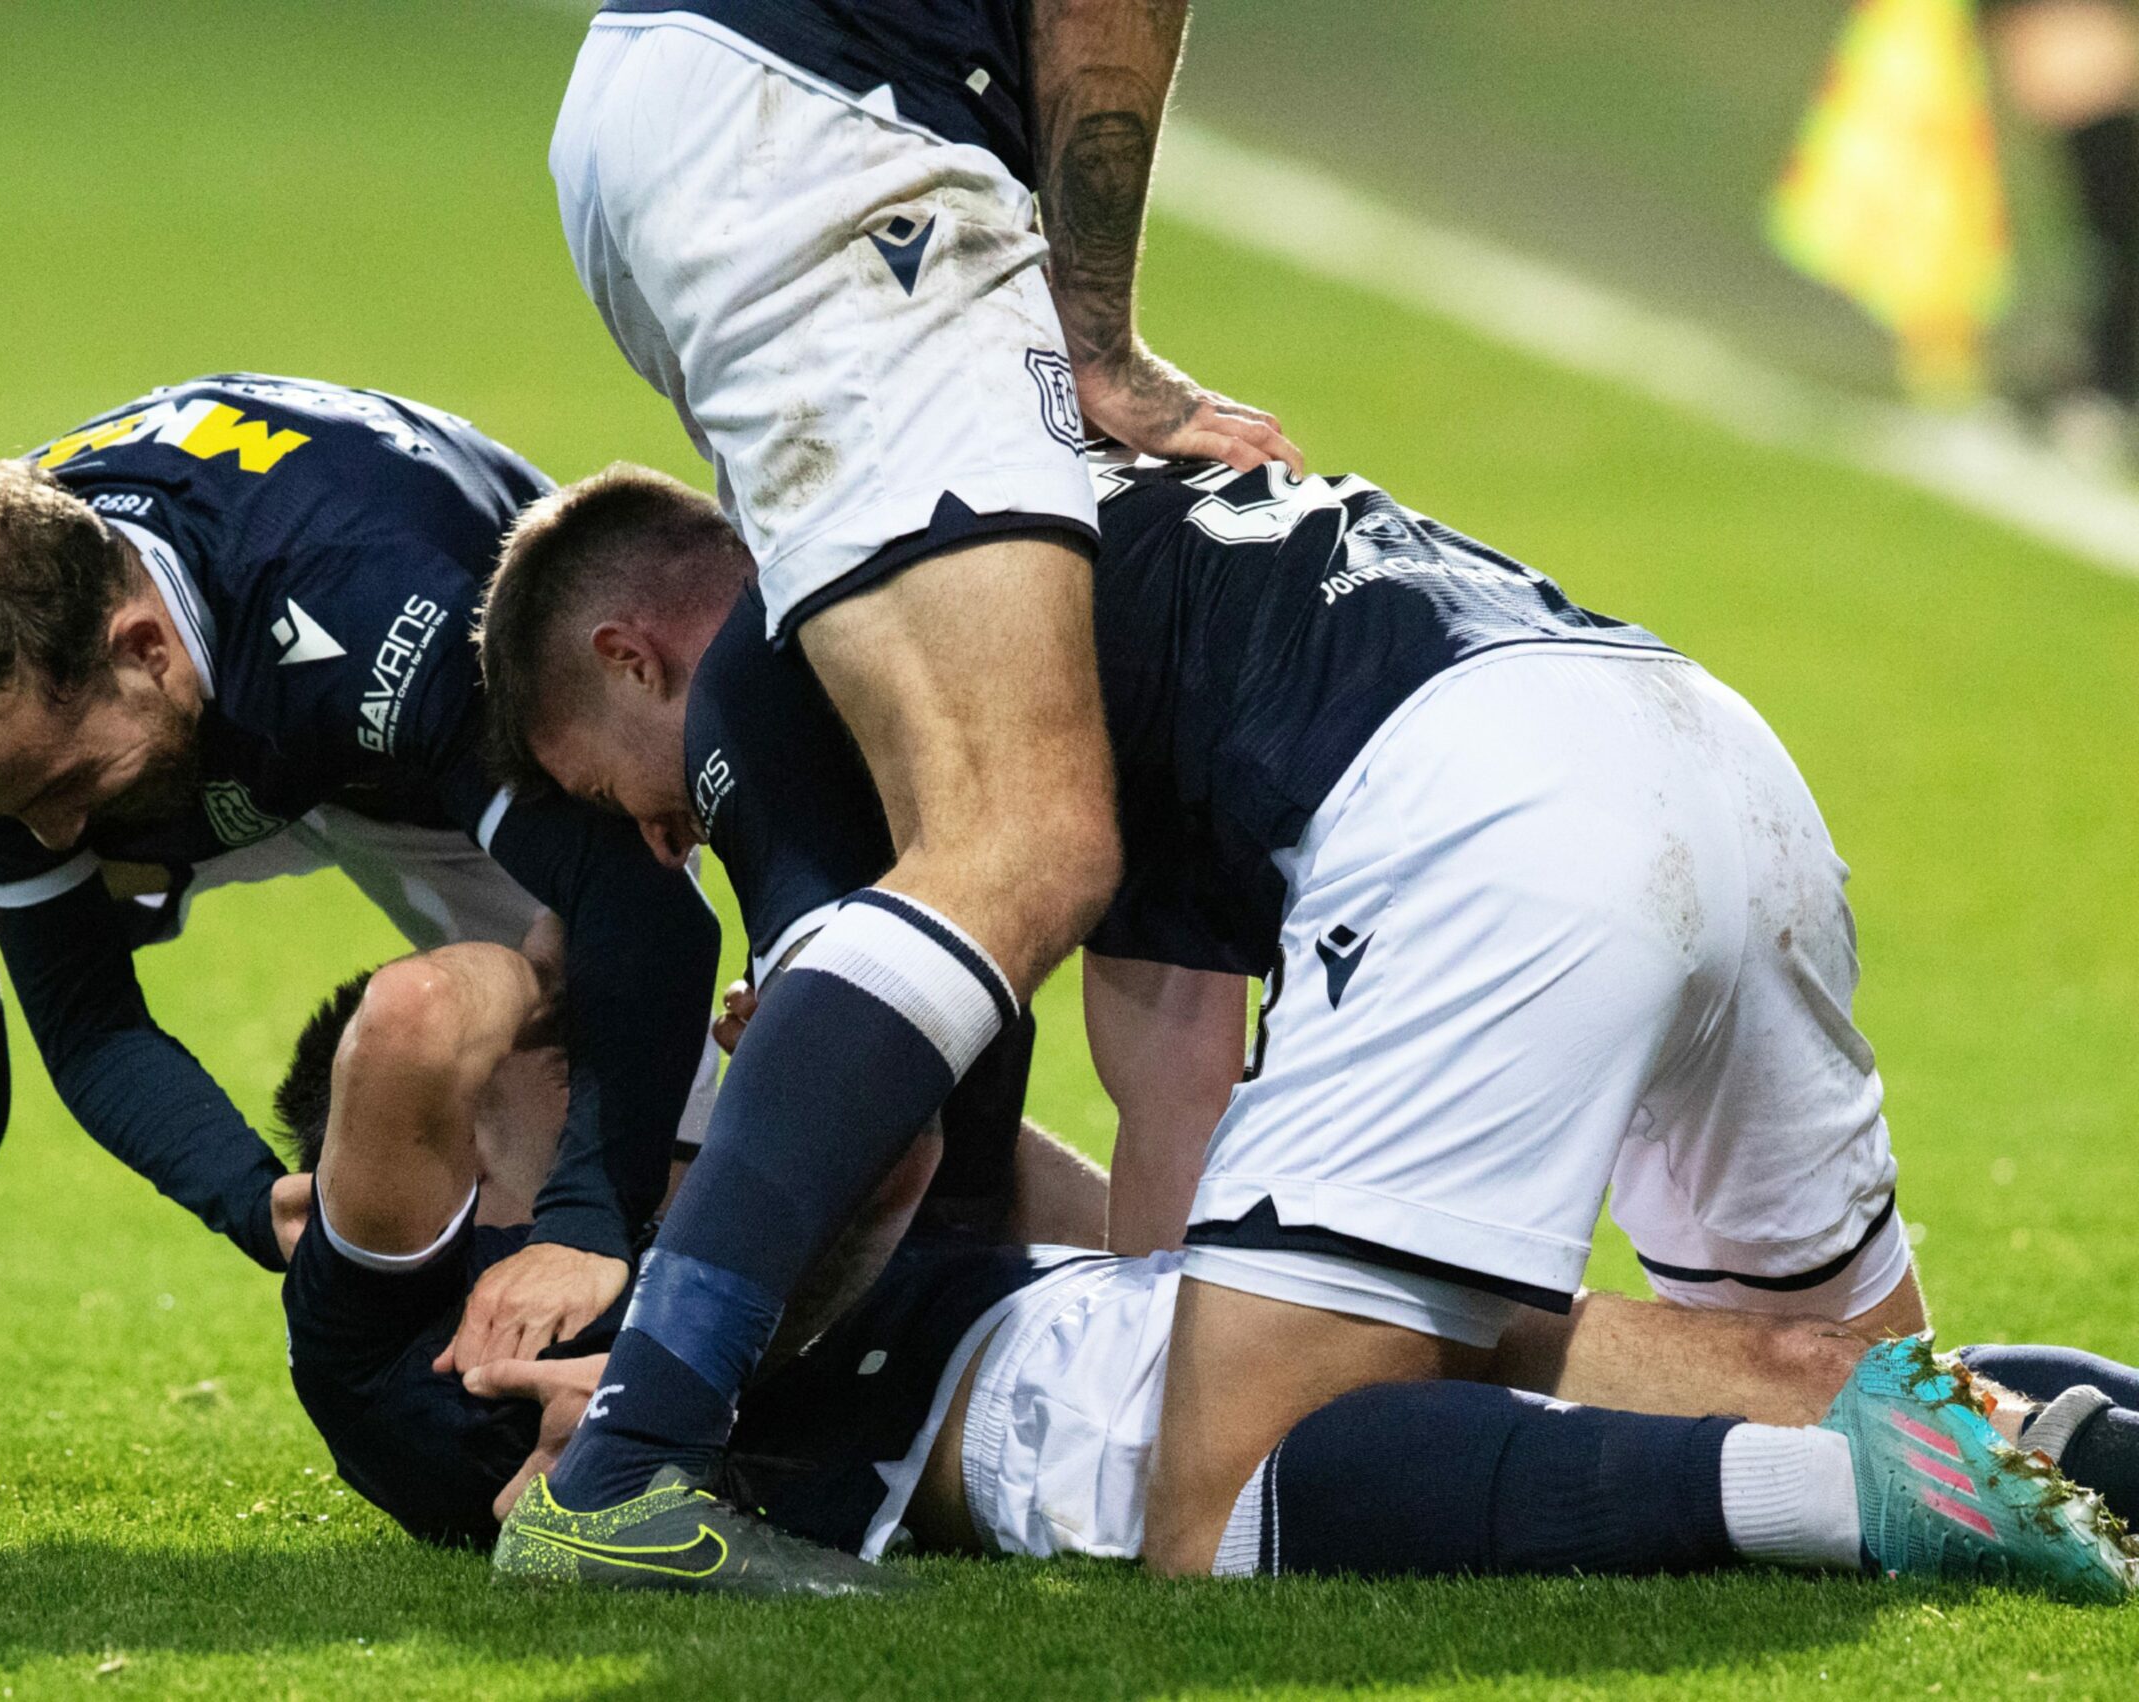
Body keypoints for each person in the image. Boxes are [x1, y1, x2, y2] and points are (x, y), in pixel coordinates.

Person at [479, 446, 1946, 1583]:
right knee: (1872, 1386)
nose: (667, 841)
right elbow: (1179, 1036)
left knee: (1227, 1481)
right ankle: (2067, 1446)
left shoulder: (787, 639)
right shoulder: (1052, 516)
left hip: (1480, 818)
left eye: (628, 798)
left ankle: (1832, 1496)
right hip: (1706, 749)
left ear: (633, 658)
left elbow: (874, 1134)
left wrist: (675, 1384)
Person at [280, 939, 2137, 1599]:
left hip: (1101, 1314)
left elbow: (1052, 1203)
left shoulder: (682, 1215)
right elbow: (420, 1024)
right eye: (574, 1102)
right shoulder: (412, 1348)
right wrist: (576, 944)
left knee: (1764, 1359)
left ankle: (2000, 1448)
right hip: (1033, 1398)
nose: (637, 1113)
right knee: (1229, 1455)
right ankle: (1879, 1497)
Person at [523, 0, 1297, 1574]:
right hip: (829, 132)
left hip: (685, 108)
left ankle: (848, 1359)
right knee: (1023, 832)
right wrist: (1095, 338)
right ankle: (632, 1461)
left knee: (951, 826)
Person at [0, 375, 719, 1512]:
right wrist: (245, 1191)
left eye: (65, 784)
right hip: (223, 756)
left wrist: (583, 1222)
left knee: (681, 1162)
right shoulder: (9, 675)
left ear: (142, 645)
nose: (53, 835)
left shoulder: (385, 601)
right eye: (16, 802)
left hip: (453, 761)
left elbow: (643, 906)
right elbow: (86, 1017)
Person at [1984, 0, 2139, 468]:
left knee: (2116, 235)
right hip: (2073, 53)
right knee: (2119, 233)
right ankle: (2101, 387)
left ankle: (2099, 382)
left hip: (2085, 49)